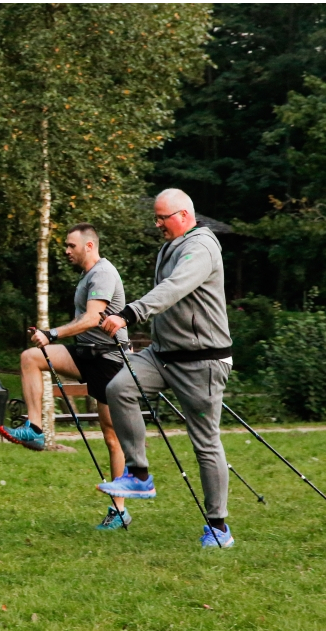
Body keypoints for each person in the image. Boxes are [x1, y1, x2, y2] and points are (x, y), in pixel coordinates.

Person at [98, 188, 235, 548]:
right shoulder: (171, 245)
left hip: (201, 361)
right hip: (163, 354)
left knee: (205, 443)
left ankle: (218, 527)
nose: (157, 224)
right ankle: (139, 473)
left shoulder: (200, 247)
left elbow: (175, 288)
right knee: (119, 389)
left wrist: (129, 312)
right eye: (155, 218)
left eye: (163, 217)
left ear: (185, 215)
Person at [0, 223, 134, 531]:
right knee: (30, 358)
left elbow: (90, 318)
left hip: (111, 361)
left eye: (71, 245)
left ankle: (119, 509)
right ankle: (34, 429)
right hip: (86, 354)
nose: (66, 251)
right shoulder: (87, 276)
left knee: (112, 438)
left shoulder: (102, 273)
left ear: (89, 246)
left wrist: (52, 333)